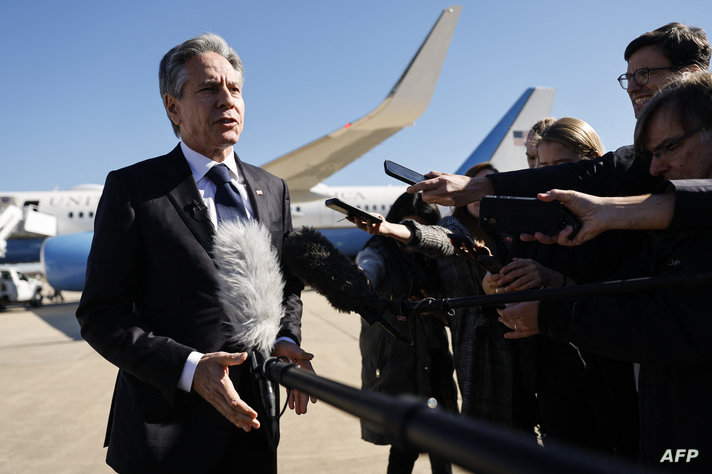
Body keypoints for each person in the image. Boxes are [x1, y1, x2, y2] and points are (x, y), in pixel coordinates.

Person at [75, 33, 315, 473]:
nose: (227, 100)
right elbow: (101, 316)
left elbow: (287, 287)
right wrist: (190, 368)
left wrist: (286, 339)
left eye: (235, 88)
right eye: (208, 89)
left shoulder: (271, 188)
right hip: (164, 434)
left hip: (253, 425)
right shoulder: (134, 189)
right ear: (173, 107)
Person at [498, 71, 712, 471]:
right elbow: (629, 287)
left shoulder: (633, 223)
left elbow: (669, 325)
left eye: (667, 148)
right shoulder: (664, 228)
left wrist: (553, 311)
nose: (654, 168)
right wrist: (553, 283)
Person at [408, 22, 710, 209]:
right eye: (628, 77)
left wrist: (478, 187)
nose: (631, 87)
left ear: (691, 75)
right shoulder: (638, 163)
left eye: (644, 74)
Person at [486, 117, 640, 459]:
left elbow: (630, 302)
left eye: (562, 167)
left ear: (594, 162)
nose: (549, 178)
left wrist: (558, 282)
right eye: (541, 168)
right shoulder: (529, 224)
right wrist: (497, 285)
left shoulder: (620, 220)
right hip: (549, 381)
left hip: (609, 383)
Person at [352, 164, 538, 434]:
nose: (481, 200)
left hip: (527, 356)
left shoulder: (509, 231)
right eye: (474, 191)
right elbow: (439, 238)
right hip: (483, 359)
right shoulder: (455, 227)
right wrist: (394, 230)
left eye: (489, 192)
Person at [356, 192, 457, 474]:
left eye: (420, 228)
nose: (410, 235)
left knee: (442, 445)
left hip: (435, 362)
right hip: (394, 366)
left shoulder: (437, 258)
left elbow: (459, 308)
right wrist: (361, 282)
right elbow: (368, 267)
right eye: (405, 226)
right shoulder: (379, 249)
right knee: (402, 447)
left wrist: (435, 310)